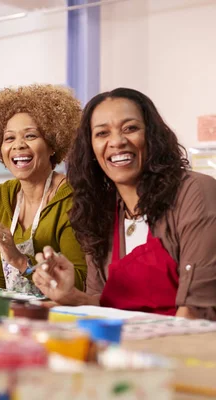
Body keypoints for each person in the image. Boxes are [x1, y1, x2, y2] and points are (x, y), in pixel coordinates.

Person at [33, 88, 216, 320]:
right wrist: (71, 296)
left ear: (152, 136)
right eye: (102, 133)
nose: (117, 142)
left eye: (130, 128)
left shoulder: (195, 192)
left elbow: (196, 310)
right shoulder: (99, 211)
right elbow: (107, 304)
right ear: (90, 148)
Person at [0, 84, 87, 292]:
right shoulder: (1, 196)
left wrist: (19, 259)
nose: (18, 145)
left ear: (52, 145)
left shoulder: (72, 196)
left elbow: (79, 282)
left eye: (30, 136)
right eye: (9, 138)